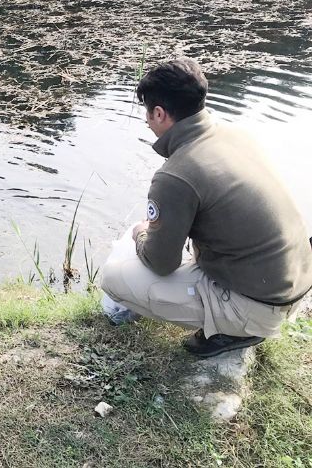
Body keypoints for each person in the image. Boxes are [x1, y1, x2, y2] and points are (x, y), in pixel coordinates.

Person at [100, 58, 312, 357]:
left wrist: (139, 234)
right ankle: (243, 317)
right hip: (293, 283)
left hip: (262, 306)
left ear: (159, 113)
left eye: (147, 112)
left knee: (114, 278)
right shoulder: (235, 135)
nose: (147, 120)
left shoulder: (176, 175)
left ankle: (236, 329)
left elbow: (162, 263)